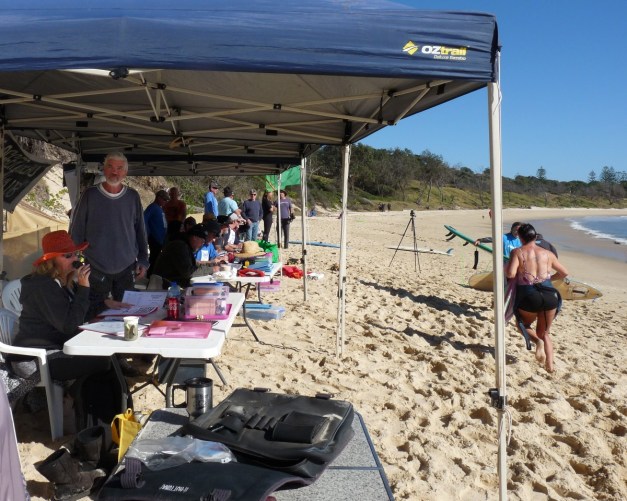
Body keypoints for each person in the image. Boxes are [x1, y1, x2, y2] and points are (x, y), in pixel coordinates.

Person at [9, 230, 127, 426]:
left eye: (75, 254)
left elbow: (77, 313)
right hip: (35, 357)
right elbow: (69, 325)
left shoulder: (62, 281)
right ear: (51, 261)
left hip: (55, 346)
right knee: (103, 361)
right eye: (67, 256)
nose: (75, 259)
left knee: (107, 359)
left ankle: (93, 412)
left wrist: (104, 304)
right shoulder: (43, 286)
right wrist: (84, 288)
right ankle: (79, 405)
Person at [70, 151, 149, 320]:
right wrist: (73, 261)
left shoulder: (132, 196)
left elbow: (140, 231)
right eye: (111, 167)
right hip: (95, 266)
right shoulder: (89, 195)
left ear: (125, 172)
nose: (115, 172)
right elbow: (76, 229)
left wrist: (143, 259)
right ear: (104, 169)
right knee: (94, 313)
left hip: (127, 266)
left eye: (119, 168)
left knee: (128, 314)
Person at [505, 223, 569, 373]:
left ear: (520, 238)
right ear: (535, 237)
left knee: (522, 324)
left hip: (529, 295)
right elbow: (564, 273)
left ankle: (537, 342)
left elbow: (511, 274)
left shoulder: (517, 252)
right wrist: (549, 279)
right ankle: (550, 366)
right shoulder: (548, 254)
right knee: (545, 333)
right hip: (550, 295)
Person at [143, 189, 169, 277]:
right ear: (158, 197)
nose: (165, 202)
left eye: (166, 200)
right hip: (154, 238)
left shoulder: (160, 209)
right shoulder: (152, 207)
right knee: (154, 258)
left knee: (157, 258)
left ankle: (153, 275)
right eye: (164, 199)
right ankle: (150, 276)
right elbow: (144, 220)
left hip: (161, 238)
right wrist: (147, 233)